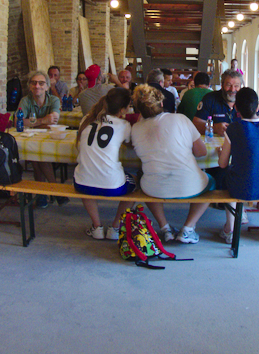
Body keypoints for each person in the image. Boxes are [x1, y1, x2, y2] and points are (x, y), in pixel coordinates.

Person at [130, 85, 213, 244]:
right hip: (189, 184)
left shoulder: (136, 129)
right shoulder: (181, 119)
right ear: (161, 103)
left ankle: (165, 228)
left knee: (145, 182)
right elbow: (201, 152)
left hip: (153, 188)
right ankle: (188, 228)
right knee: (211, 184)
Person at [216, 88, 259, 243]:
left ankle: (230, 229)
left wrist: (220, 152)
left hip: (240, 188)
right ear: (257, 107)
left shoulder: (234, 128)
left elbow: (222, 164)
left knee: (227, 175)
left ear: (236, 108)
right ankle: (239, 218)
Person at [73, 87, 137, 240]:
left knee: (86, 176)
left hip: (81, 183)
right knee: (136, 184)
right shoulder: (123, 125)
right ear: (122, 109)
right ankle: (115, 227)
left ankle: (96, 227)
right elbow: (130, 144)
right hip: (112, 185)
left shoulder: (87, 120)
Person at [17, 70, 67, 207]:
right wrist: (43, 120)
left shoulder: (53, 100)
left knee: (38, 158)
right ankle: (55, 191)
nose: (37, 86)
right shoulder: (25, 100)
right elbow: (18, 121)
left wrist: (32, 123)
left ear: (47, 86)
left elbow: (53, 122)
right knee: (37, 157)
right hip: (31, 139)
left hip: (49, 139)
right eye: (33, 83)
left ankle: (43, 195)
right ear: (29, 86)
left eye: (41, 83)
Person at [193, 69, 243, 136]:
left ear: (240, 87)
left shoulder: (246, 101)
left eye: (236, 86)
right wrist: (214, 128)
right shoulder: (210, 99)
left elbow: (255, 122)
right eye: (228, 85)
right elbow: (196, 124)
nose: (232, 89)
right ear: (222, 85)